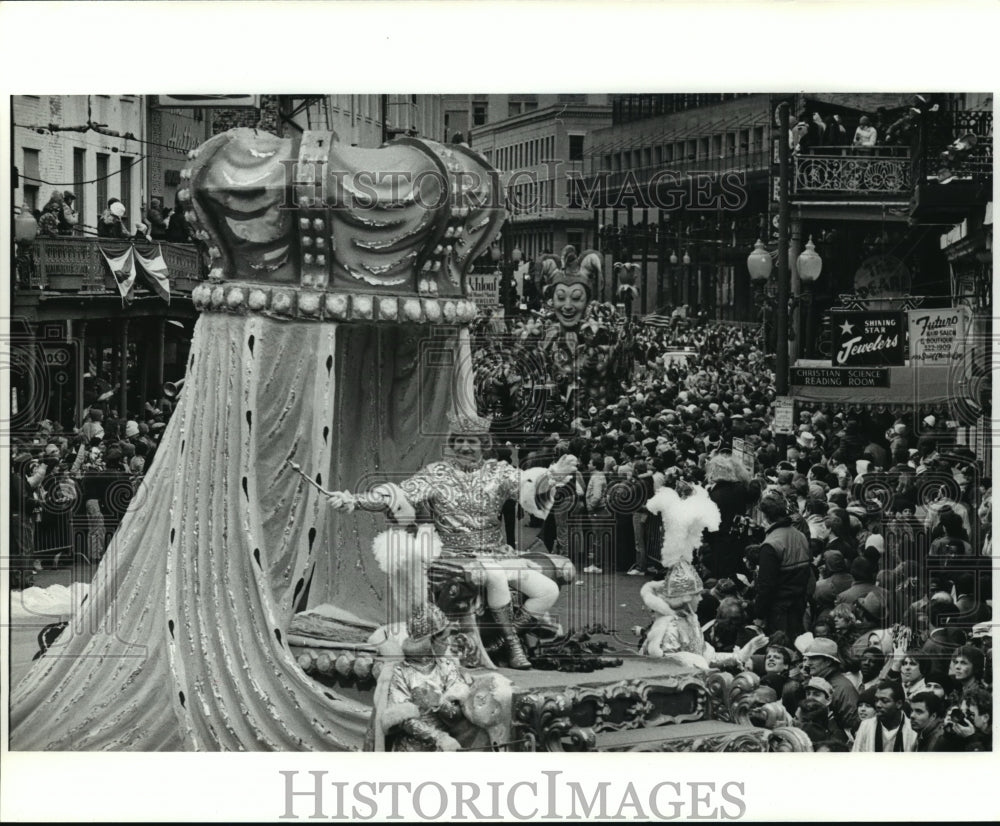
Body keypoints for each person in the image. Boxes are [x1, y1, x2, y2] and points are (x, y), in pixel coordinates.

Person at [320, 411, 578, 670]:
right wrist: (354, 501)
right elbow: (400, 494)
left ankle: (500, 639)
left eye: (472, 441)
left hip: (498, 554)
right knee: (496, 576)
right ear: (453, 444)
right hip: (455, 556)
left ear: (483, 444)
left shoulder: (497, 472)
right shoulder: (436, 474)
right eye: (459, 441)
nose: (465, 447)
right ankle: (513, 647)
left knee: (547, 590)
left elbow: (526, 484)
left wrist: (553, 474)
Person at [752, 490, 812, 637]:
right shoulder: (800, 536)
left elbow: (766, 585)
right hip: (799, 604)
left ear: (765, 515)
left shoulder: (771, 544)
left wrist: (759, 615)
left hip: (779, 609)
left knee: (780, 644)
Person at [802, 637, 860, 735]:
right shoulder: (814, 681)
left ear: (828, 662)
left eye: (814, 658)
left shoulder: (843, 688)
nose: (808, 663)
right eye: (808, 658)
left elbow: (853, 725)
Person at [852, 681, 917, 752]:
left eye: (884, 701)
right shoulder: (866, 726)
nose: (878, 705)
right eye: (876, 700)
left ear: (899, 704)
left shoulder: (913, 731)